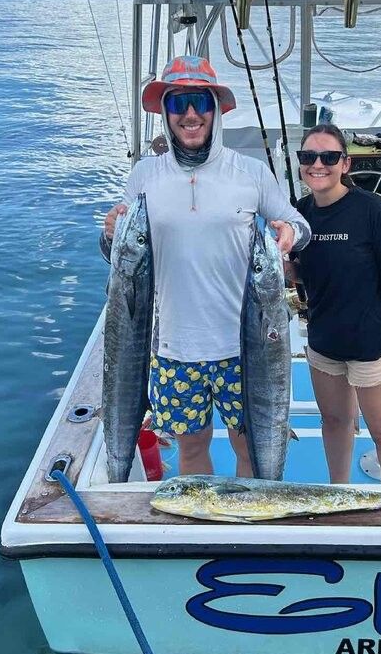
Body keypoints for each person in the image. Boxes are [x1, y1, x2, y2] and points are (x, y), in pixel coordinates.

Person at [101, 55, 310, 477]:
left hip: (247, 345)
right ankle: (202, 517)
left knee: (249, 449)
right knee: (192, 451)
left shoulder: (250, 173)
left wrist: (288, 232)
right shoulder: (145, 175)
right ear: (165, 113)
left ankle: (250, 515)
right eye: (178, 103)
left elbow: (300, 226)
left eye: (200, 102)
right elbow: (119, 254)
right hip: (173, 348)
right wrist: (109, 233)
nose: (190, 114)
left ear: (215, 109)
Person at [290, 123, 381, 484]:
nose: (318, 164)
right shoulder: (299, 213)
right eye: (309, 156)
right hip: (324, 343)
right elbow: (306, 272)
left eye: (329, 157)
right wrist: (279, 267)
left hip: (371, 348)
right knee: (334, 422)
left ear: (345, 164)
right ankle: (339, 493)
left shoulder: (373, 211)